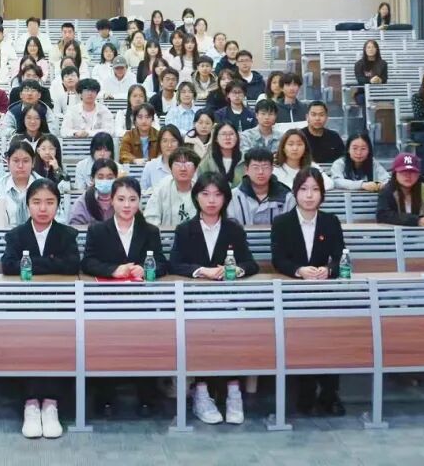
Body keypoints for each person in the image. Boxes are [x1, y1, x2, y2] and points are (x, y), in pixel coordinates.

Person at [169, 171, 258, 425]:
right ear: (196, 197)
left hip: (229, 300)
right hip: (194, 302)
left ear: (225, 198)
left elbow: (250, 263)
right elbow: (174, 264)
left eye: (217, 195)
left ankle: (233, 392)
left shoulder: (233, 229)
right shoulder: (185, 229)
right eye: (205, 194)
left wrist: (236, 270)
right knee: (199, 330)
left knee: (234, 330)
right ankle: (201, 392)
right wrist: (202, 271)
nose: (211, 200)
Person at [81, 177, 167, 417]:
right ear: (112, 201)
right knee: (105, 344)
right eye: (121, 199)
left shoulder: (150, 231)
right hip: (107, 301)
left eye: (132, 199)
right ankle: (105, 395)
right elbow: (87, 262)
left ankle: (146, 395)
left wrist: (146, 269)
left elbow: (162, 263)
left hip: (143, 302)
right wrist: (113, 270)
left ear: (140, 201)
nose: (127, 205)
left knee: (145, 344)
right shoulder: (98, 230)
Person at [1, 178, 78, 438]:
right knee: (28, 342)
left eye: (49, 202)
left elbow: (72, 265)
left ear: (58, 205)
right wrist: (51, 262)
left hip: (60, 306)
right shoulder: (15, 235)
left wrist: (31, 263)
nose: (43, 208)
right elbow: (9, 266)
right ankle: (31, 404)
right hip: (23, 306)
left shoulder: (68, 234)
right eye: (36, 202)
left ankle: (51, 404)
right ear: (28, 205)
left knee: (57, 342)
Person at [270, 168, 346, 417]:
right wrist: (299, 270)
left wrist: (329, 270)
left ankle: (330, 393)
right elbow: (278, 260)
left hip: (326, 293)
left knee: (332, 334)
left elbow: (341, 257)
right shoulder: (282, 223)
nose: (309, 195)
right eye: (304, 189)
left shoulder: (330, 221)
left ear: (322, 194)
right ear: (295, 193)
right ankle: (305, 390)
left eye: (315, 190)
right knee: (302, 336)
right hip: (293, 293)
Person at [376, 153, 424, 227]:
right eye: (403, 171)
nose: (408, 176)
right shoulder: (387, 191)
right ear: (395, 173)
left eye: (412, 171)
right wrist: (417, 221)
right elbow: (382, 215)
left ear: (418, 174)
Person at [229, 148, 295, 226]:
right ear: (246, 170)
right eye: (255, 167)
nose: (260, 172)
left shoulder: (286, 196)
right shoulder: (232, 197)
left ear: (272, 169)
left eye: (265, 167)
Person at [143, 147, 200, 227]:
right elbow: (151, 218)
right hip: (164, 234)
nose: (183, 169)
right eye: (178, 164)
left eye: (188, 164)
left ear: (195, 169)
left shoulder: (201, 190)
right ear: (170, 169)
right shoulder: (162, 187)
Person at [0, 141, 39, 227]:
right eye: (16, 161)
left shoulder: (45, 187)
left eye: (25, 161)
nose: (20, 166)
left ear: (33, 162)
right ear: (8, 162)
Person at [68, 159, 118, 226]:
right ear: (92, 179)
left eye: (110, 178)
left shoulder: (122, 199)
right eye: (100, 177)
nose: (105, 181)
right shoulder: (83, 201)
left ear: (116, 178)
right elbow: (75, 226)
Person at [197, 121, 246, 188]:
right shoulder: (207, 161)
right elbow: (201, 185)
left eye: (231, 134)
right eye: (223, 134)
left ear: (237, 137)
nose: (228, 138)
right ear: (216, 138)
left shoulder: (245, 160)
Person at [141, 125, 184, 191]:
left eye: (173, 141)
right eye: (165, 141)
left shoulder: (187, 166)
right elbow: (142, 192)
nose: (169, 145)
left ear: (179, 143)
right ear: (159, 143)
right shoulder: (150, 166)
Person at [352, 39, 388, 108]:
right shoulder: (358, 64)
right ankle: (367, 115)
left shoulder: (383, 63)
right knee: (364, 99)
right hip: (363, 93)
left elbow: (384, 78)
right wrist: (370, 81)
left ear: (377, 49)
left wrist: (380, 80)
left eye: (373, 47)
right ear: (365, 50)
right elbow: (360, 79)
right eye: (368, 47)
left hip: (379, 92)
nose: (371, 49)